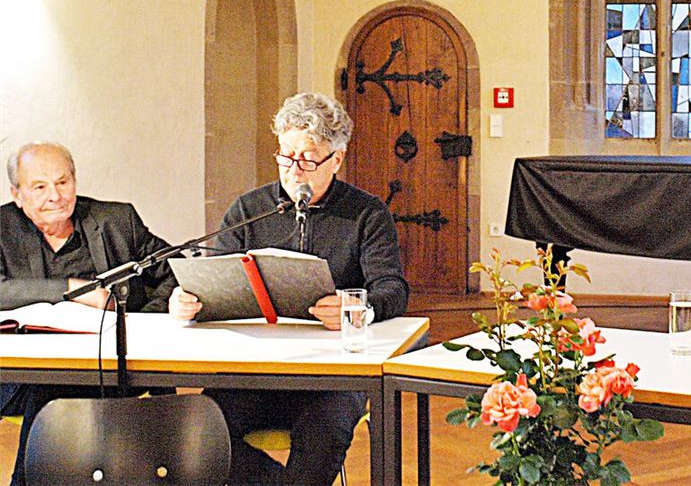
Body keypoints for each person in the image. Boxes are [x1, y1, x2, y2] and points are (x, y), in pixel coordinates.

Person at [169, 92, 409, 485]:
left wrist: (357, 308)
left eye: (309, 156)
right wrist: (187, 301)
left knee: (324, 432)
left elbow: (392, 288)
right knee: (199, 431)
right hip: (255, 370)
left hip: (334, 376)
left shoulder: (366, 213)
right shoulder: (249, 210)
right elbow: (212, 277)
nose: (295, 169)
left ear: (337, 159)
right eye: (286, 155)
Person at [0, 141, 177, 486]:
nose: (55, 195)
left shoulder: (116, 220)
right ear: (17, 194)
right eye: (39, 187)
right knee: (49, 385)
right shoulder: (0, 228)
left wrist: (138, 321)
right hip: (24, 375)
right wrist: (72, 289)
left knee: (63, 390)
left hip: (109, 367)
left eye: (63, 182)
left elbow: (174, 270)